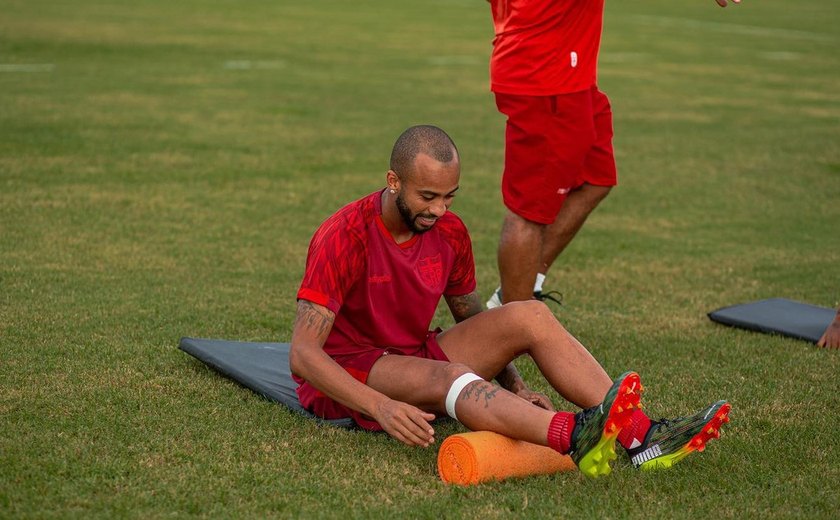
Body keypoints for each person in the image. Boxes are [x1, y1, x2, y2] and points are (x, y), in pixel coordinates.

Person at [289, 125, 730, 477]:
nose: (439, 210)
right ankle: (573, 435)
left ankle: (643, 438)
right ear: (393, 182)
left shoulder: (449, 232)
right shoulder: (343, 235)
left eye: (449, 196)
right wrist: (380, 406)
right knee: (451, 376)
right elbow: (304, 355)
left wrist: (515, 387)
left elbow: (471, 316)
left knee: (529, 315)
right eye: (427, 197)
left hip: (412, 354)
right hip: (351, 370)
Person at [484, 0, 742, 309]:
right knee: (529, 212)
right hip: (546, 77)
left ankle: (517, 291)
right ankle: (509, 324)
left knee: (596, 178)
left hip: (562, 73)